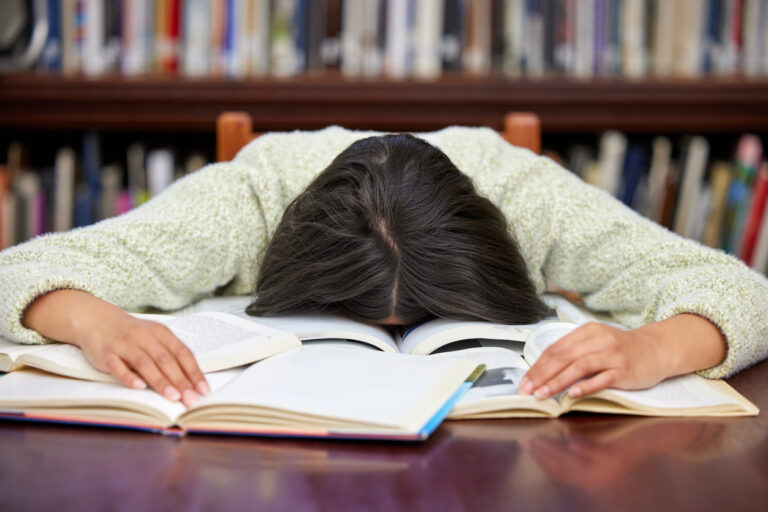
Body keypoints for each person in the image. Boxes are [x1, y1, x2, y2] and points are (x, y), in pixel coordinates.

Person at [2, 126, 767, 409]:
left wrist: (650, 348)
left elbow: (746, 294)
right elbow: (18, 272)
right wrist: (94, 321)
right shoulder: (254, 194)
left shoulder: (522, 192)